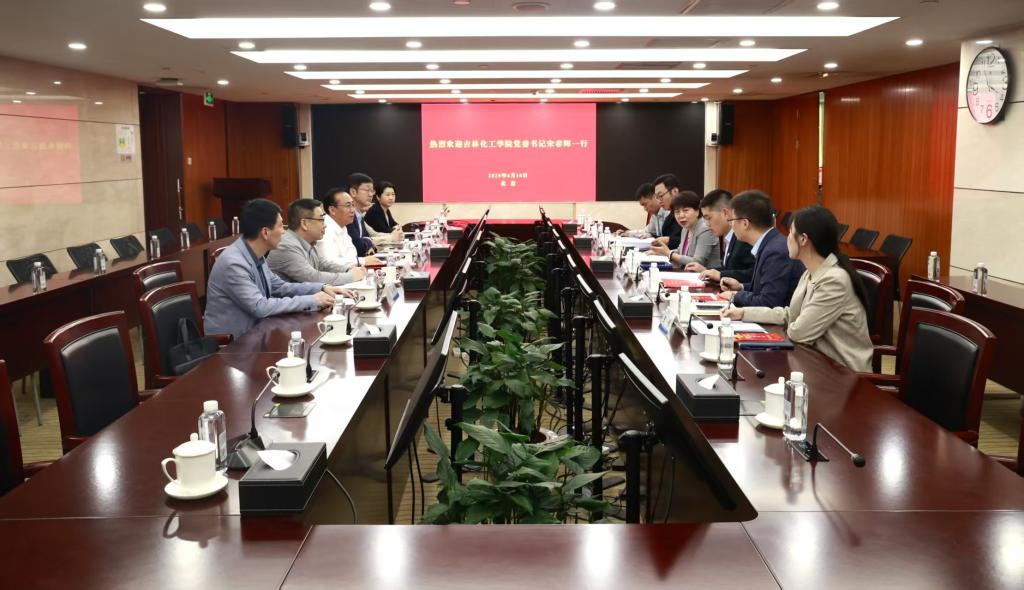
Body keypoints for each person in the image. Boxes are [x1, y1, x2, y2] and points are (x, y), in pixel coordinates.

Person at [722, 205, 873, 372]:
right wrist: (742, 313)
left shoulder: (834, 280)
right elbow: (790, 314)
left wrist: (788, 325)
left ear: (803, 239)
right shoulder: (810, 272)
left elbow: (800, 333)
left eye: (790, 233)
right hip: (816, 363)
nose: (786, 238)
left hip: (842, 374)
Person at [203, 198, 351, 340]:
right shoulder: (234, 263)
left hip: (259, 332)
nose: (284, 232)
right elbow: (259, 306)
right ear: (265, 233)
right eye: (280, 226)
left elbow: (279, 287)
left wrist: (322, 288)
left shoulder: (255, 254)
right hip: (234, 344)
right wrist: (312, 300)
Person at [718, 190, 804, 308]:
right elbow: (764, 289)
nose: (731, 225)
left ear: (745, 223)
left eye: (731, 220)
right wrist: (741, 287)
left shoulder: (775, 251)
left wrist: (736, 296)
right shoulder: (769, 243)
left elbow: (769, 302)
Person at [268, 198, 361, 284]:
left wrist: (347, 269)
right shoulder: (287, 246)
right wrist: (351, 277)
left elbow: (321, 264)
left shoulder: (308, 241)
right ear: (304, 223)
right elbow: (313, 277)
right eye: (321, 220)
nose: (325, 225)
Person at [685, 189, 756, 283]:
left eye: (708, 218)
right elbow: (730, 269)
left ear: (725, 213)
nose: (707, 224)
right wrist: (705, 270)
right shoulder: (729, 237)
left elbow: (754, 274)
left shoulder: (743, 238)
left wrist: (720, 275)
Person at [649, 191, 720, 268]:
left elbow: (697, 262)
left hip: (706, 275)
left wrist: (669, 253)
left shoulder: (706, 229)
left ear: (697, 211)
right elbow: (680, 252)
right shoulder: (685, 229)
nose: (681, 215)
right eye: (677, 212)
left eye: (686, 210)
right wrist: (660, 252)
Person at [316, 188, 381, 271]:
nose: (353, 210)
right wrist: (363, 261)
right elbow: (329, 263)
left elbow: (352, 254)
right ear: (332, 210)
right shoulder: (325, 228)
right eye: (348, 206)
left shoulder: (342, 226)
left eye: (353, 205)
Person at [347, 172, 402, 250]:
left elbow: (372, 234)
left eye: (372, 191)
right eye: (367, 190)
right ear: (353, 192)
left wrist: (395, 233)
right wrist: (391, 237)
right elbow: (359, 244)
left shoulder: (359, 215)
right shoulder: (348, 215)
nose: (370, 195)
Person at [650, 173, 683, 250]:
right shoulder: (670, 216)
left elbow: (690, 241)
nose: (659, 201)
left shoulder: (689, 214)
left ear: (675, 191)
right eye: (657, 197)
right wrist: (652, 236)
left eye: (661, 196)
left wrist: (669, 240)